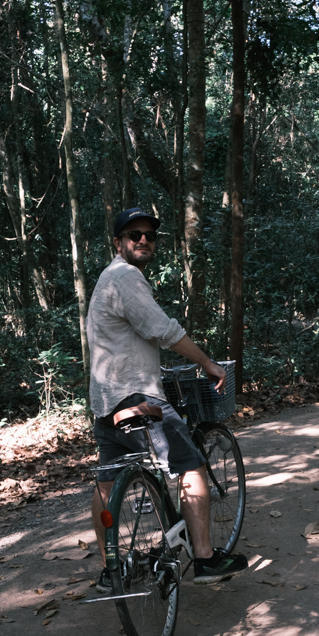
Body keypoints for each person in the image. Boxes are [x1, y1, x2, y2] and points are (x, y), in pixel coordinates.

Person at [87, 206, 248, 592]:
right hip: (137, 396)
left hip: (106, 401)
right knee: (189, 464)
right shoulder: (125, 277)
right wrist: (208, 363)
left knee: (108, 481)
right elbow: (163, 330)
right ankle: (207, 559)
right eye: (134, 234)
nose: (143, 240)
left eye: (149, 235)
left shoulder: (108, 279)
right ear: (117, 242)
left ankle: (112, 570)